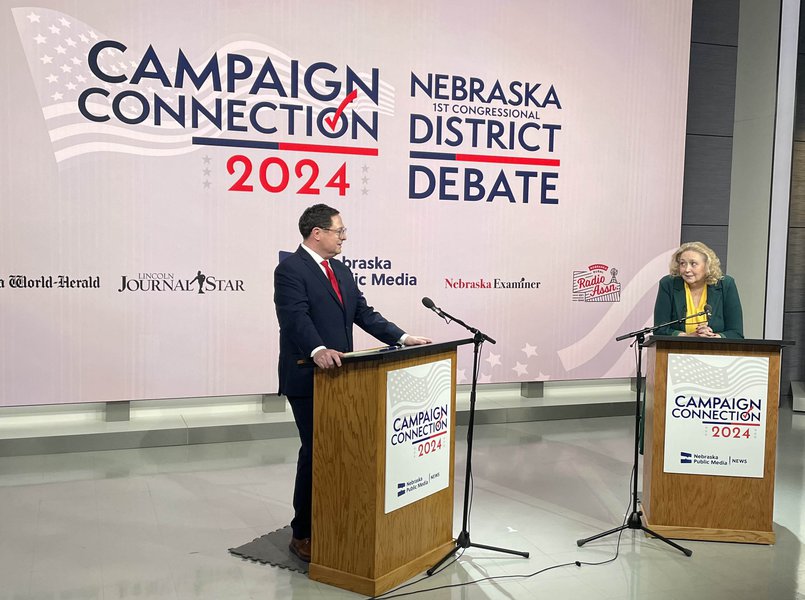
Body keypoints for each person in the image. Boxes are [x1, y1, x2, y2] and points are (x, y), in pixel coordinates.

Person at [274, 203, 431, 562]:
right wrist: (317, 348)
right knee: (316, 452)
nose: (343, 236)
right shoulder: (290, 270)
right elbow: (294, 318)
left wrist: (403, 338)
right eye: (338, 230)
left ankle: (335, 520)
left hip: (344, 376)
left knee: (340, 453)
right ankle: (303, 533)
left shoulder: (341, 270)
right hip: (307, 374)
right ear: (318, 233)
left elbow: (363, 313)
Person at [653, 241, 744, 338]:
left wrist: (714, 336)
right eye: (682, 263)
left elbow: (736, 333)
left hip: (716, 349)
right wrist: (686, 336)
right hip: (677, 349)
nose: (687, 269)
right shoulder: (669, 284)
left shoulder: (726, 284)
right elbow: (660, 329)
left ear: (707, 266)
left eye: (693, 264)